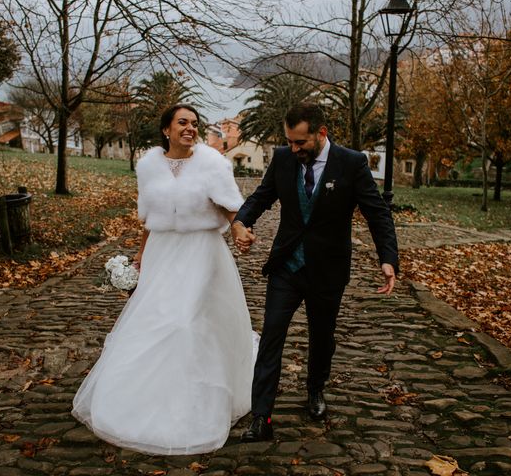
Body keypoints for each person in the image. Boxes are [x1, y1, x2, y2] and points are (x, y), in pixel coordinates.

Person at [72, 103, 257, 455]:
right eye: (182, 123)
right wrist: (141, 254)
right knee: (153, 320)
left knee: (186, 323)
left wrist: (240, 231)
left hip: (201, 252)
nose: (190, 128)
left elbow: (234, 207)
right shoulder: (148, 166)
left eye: (195, 123)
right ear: (166, 130)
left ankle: (194, 401)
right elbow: (149, 216)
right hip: (161, 252)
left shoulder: (213, 164)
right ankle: (146, 395)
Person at [231, 103, 399, 442]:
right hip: (287, 267)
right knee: (271, 339)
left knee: (323, 338)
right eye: (290, 142)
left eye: (300, 143)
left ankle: (315, 389)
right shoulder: (282, 158)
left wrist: (388, 258)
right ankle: (261, 416)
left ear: (321, 134)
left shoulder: (351, 163)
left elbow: (377, 213)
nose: (293, 149)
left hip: (328, 270)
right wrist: (239, 222)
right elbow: (261, 197)